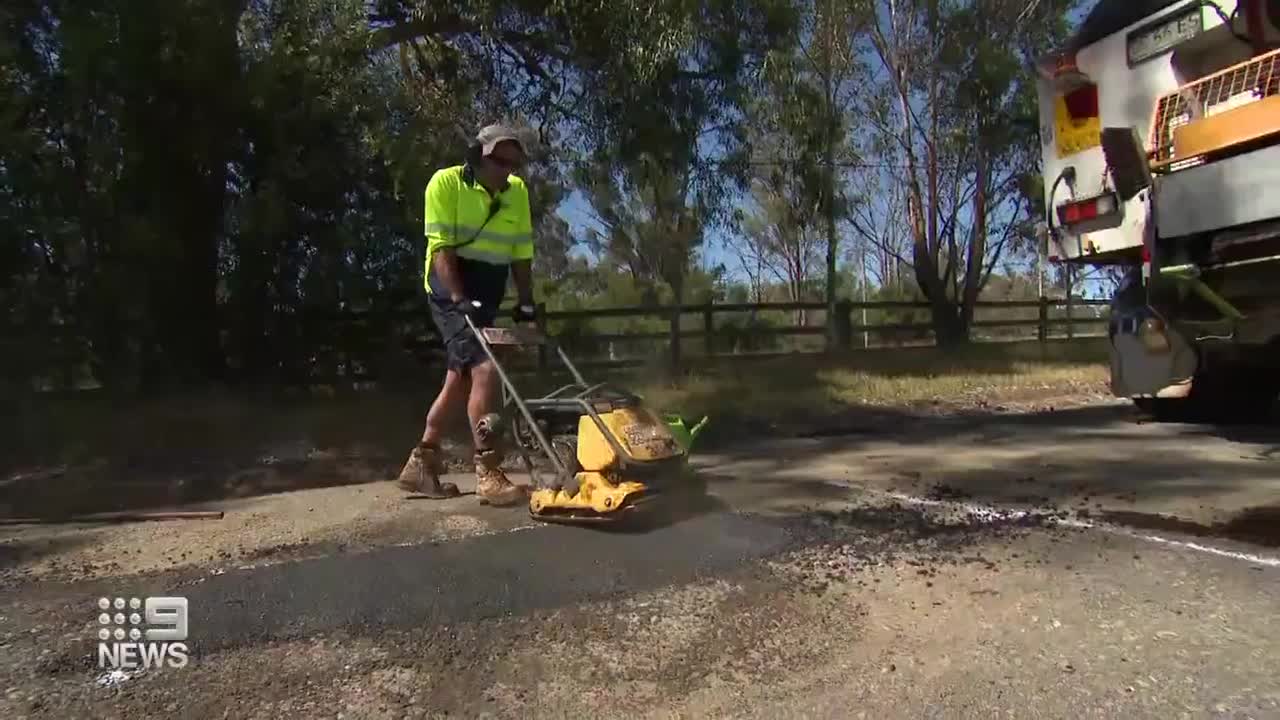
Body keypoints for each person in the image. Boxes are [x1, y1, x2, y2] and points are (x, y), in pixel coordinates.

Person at [395, 124, 539, 506]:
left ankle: (421, 462)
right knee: (485, 367)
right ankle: (488, 471)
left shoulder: (518, 193)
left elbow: (522, 253)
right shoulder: (444, 184)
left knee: (459, 376)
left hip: (488, 288)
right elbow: (441, 248)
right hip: (448, 285)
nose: (505, 170)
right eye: (498, 160)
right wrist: (458, 298)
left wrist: (526, 304)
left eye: (512, 163)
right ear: (477, 154)